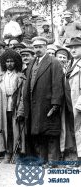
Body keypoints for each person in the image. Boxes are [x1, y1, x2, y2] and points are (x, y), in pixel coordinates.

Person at [23, 36, 64, 165]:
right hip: (34, 104)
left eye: (40, 47)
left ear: (46, 47)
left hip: (47, 105)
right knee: (38, 134)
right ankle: (42, 160)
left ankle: (53, 161)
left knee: (50, 134)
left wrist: (55, 104)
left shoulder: (54, 62)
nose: (37, 49)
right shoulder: (32, 63)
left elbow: (57, 84)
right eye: (35, 47)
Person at [0, 50, 25, 163]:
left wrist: (21, 110)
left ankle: (17, 153)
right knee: (6, 131)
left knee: (16, 130)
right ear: (4, 63)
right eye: (7, 61)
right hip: (4, 107)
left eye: (12, 61)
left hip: (15, 107)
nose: (9, 64)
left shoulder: (20, 77)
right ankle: (7, 152)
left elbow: (23, 97)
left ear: (16, 62)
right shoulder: (1, 76)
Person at [65, 37, 81, 162]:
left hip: (78, 101)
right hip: (70, 100)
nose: (73, 50)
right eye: (71, 48)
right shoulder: (70, 63)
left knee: (79, 128)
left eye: (76, 47)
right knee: (73, 128)